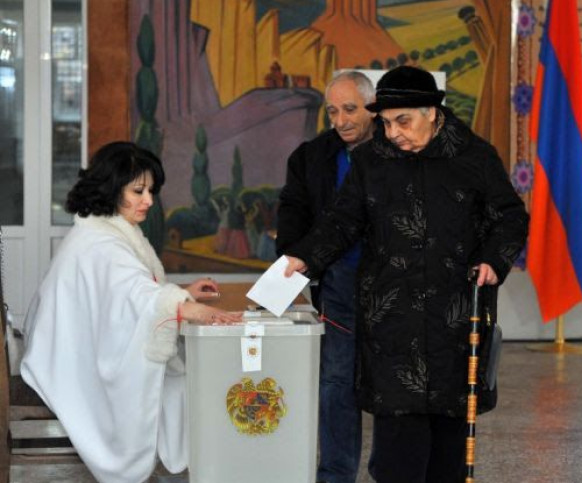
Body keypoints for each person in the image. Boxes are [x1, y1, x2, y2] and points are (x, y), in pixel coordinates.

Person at [284, 66, 530, 483]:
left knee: (448, 445)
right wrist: (305, 257)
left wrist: (494, 259)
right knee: (398, 448)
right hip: (392, 320)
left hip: (454, 315)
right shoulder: (371, 161)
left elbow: (509, 217)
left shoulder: (474, 156)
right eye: (385, 122)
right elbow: (342, 222)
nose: (393, 132)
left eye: (403, 121)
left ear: (432, 112)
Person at [20, 141, 242, 483]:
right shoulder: (102, 243)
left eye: (151, 191)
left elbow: (130, 293)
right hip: (70, 364)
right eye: (138, 191)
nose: (149, 200)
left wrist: (182, 294)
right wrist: (189, 308)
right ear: (111, 189)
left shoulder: (101, 231)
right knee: (183, 384)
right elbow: (134, 293)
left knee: (181, 377)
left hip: (67, 350)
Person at [276, 70, 376, 483]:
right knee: (336, 381)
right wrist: (292, 260)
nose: (341, 120)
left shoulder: (398, 151)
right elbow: (293, 212)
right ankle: (335, 473)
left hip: (393, 283)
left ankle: (391, 469)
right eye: (333, 111)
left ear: (372, 107)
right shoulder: (311, 157)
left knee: (393, 384)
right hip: (338, 282)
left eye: (350, 109)